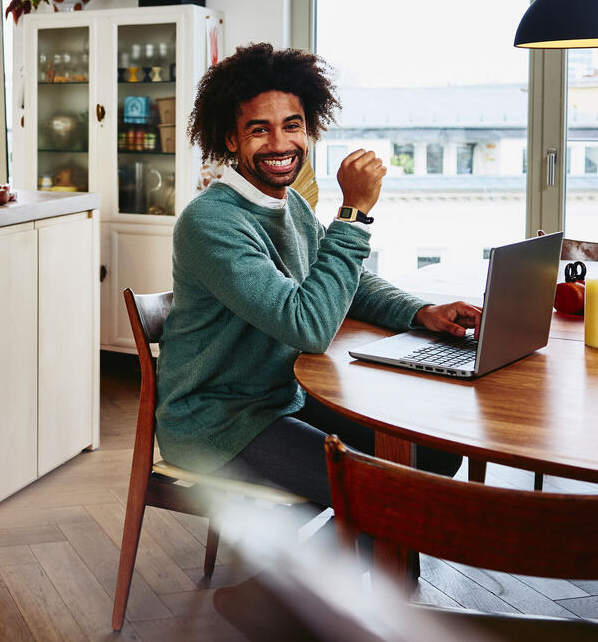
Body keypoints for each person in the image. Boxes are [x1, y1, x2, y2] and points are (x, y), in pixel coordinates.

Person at [156, 42, 480, 505]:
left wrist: (421, 311)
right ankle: (350, 544)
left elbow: (347, 283)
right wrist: (353, 214)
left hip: (285, 396)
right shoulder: (210, 222)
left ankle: (364, 540)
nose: (280, 144)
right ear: (230, 139)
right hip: (219, 421)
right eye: (259, 130)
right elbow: (308, 326)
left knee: (433, 454)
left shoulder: (291, 206)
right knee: (378, 492)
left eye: (293, 126)